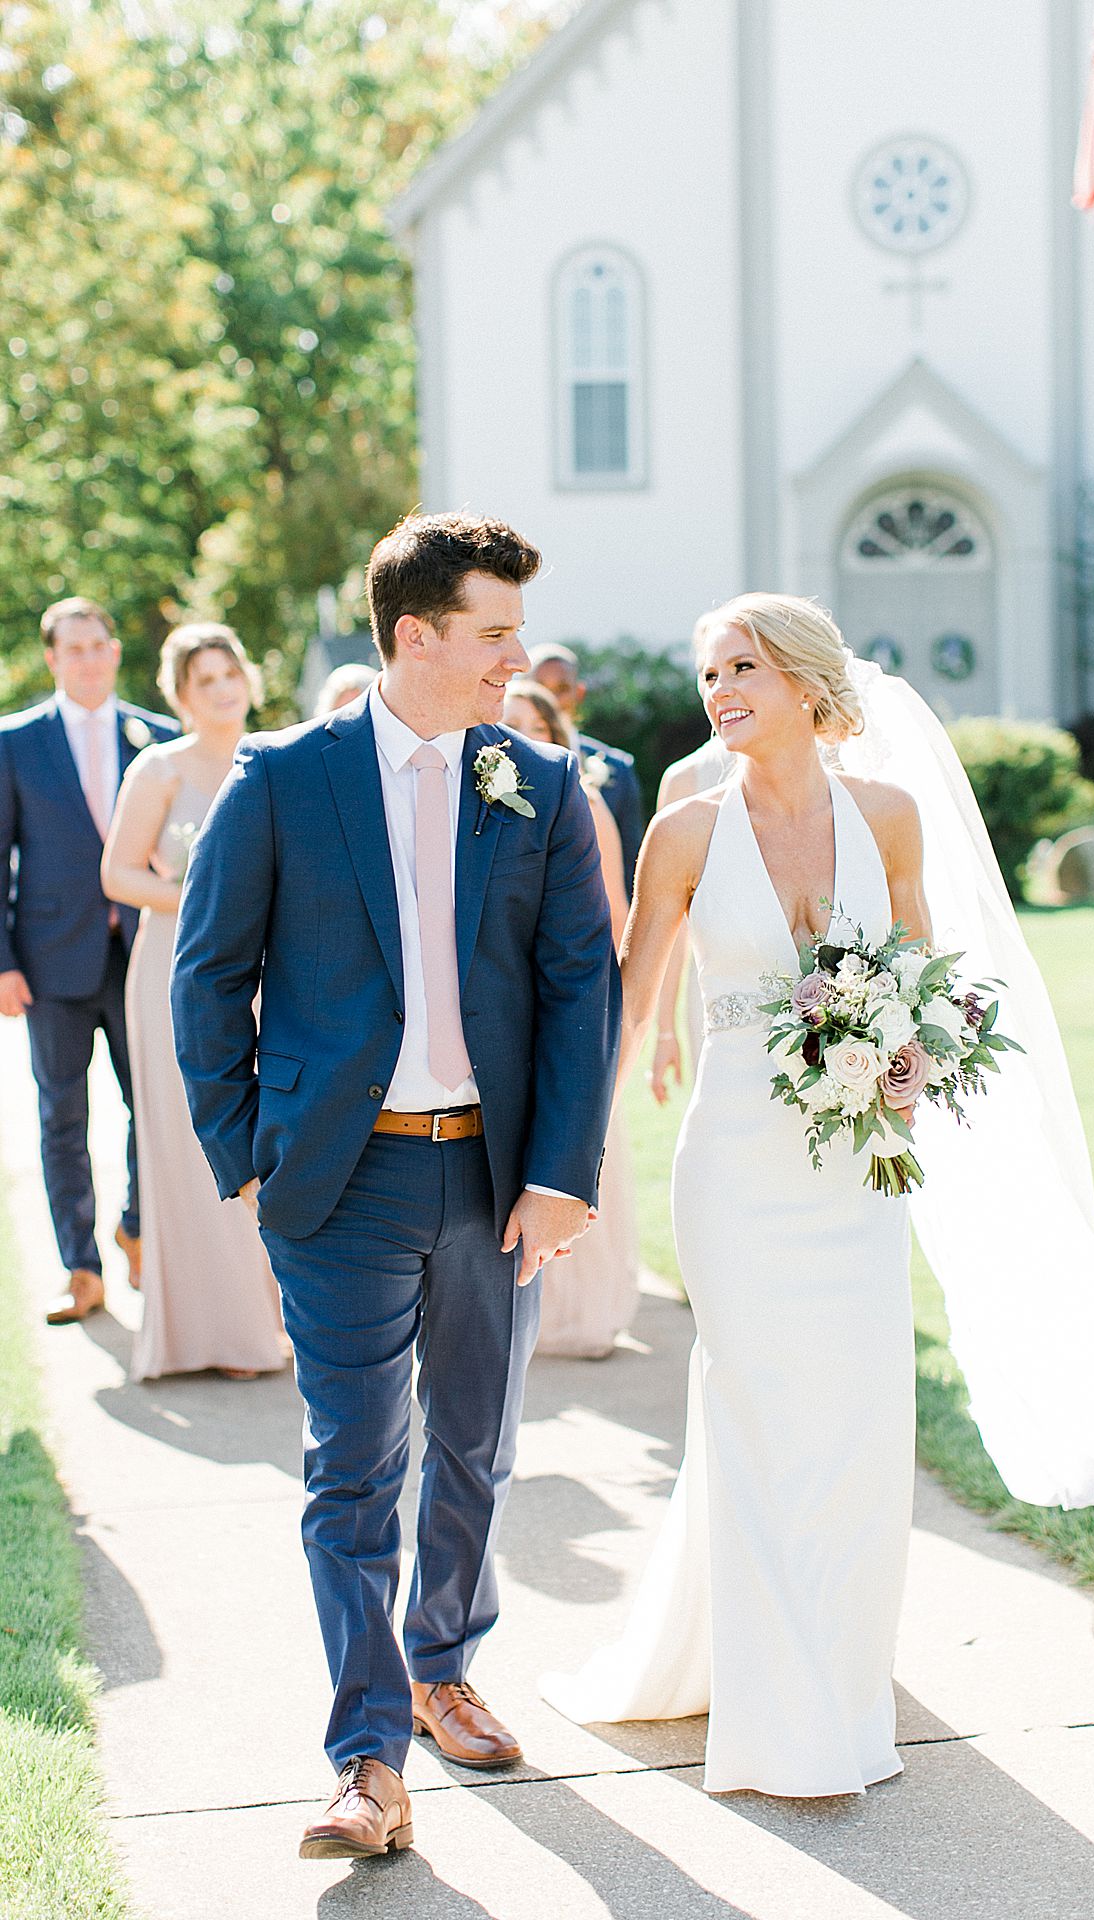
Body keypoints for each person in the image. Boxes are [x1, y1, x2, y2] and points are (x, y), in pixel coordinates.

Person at [542, 592, 1094, 1798]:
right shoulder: (683, 831)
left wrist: (907, 1056)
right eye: (708, 671)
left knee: (859, 1426)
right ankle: (782, 1721)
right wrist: (572, 1167)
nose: (718, 689)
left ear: (810, 685)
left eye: (743, 666)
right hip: (734, 1169)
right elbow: (627, 1001)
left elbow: (930, 979)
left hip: (853, 1173)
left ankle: (833, 1676)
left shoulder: (889, 816)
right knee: (758, 1411)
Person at [171, 513, 619, 1860]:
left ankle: (444, 1664)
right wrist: (246, 1152)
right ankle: (365, 1756)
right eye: (493, 634)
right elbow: (209, 977)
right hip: (341, 1186)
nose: (515, 658)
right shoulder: (283, 780)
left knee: (474, 1446)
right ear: (414, 637)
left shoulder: (535, 782)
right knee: (354, 1467)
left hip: (494, 1180)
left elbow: (576, 987)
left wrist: (559, 1173)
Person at [101, 624, 286, 1382]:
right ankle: (210, 1332)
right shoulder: (160, 770)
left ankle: (266, 1318)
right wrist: (198, 897)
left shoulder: (275, 759)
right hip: (173, 971)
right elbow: (118, 874)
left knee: (264, 1138)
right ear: (180, 694)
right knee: (187, 1143)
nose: (221, 689)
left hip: (269, 977)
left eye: (229, 672)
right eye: (203, 679)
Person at [0, 597, 179, 1324]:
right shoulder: (15, 742)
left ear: (113, 651)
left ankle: (136, 1226)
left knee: (154, 1105)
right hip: (50, 959)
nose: (86, 659)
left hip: (145, 955)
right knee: (61, 1115)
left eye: (97, 645)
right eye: (70, 649)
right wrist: (3, 959)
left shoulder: (157, 736)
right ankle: (80, 1266)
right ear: (52, 659)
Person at [504, 678, 639, 1358]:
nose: (521, 733)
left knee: (575, 1137)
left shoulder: (582, 801)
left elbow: (613, 915)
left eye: (535, 724)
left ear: (557, 735)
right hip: (503, 1007)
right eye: (509, 721)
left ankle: (580, 1311)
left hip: (567, 1000)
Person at [646, 734, 732, 1108]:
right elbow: (670, 924)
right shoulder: (685, 780)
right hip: (716, 1000)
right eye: (708, 675)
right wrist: (665, 1029)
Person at [528, 642, 644, 890]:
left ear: (578, 693)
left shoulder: (618, 769)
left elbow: (632, 866)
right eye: (540, 688)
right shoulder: (500, 763)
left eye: (561, 689)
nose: (551, 699)